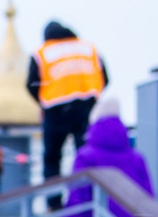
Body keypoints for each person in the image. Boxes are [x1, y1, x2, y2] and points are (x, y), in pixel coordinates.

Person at [25, 22, 108, 181]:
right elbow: (105, 78)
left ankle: (53, 202)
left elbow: (31, 83)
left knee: (52, 158)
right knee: (86, 153)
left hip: (55, 110)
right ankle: (88, 193)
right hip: (86, 108)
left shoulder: (42, 52)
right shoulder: (88, 48)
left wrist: (43, 102)